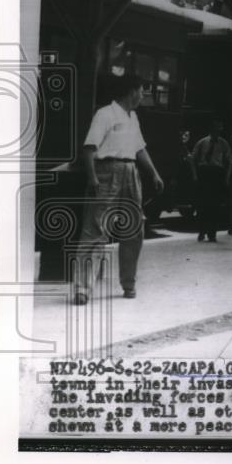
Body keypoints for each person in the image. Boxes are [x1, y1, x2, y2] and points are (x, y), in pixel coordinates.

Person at [72, 74, 164, 303]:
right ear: (131, 91)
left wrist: (154, 173)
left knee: (134, 228)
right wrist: (93, 177)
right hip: (106, 171)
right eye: (142, 91)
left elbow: (140, 149)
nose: (143, 96)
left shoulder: (133, 118)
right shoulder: (105, 114)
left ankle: (128, 284)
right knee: (96, 228)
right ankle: (82, 289)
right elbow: (89, 147)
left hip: (130, 173)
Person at [190, 118, 232, 242]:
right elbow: (193, 159)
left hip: (216, 174)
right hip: (204, 173)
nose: (218, 130)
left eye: (220, 128)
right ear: (211, 129)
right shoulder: (202, 142)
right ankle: (202, 232)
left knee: (215, 206)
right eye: (216, 127)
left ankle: (212, 233)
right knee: (203, 205)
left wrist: (226, 178)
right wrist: (195, 175)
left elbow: (229, 161)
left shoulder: (224, 144)